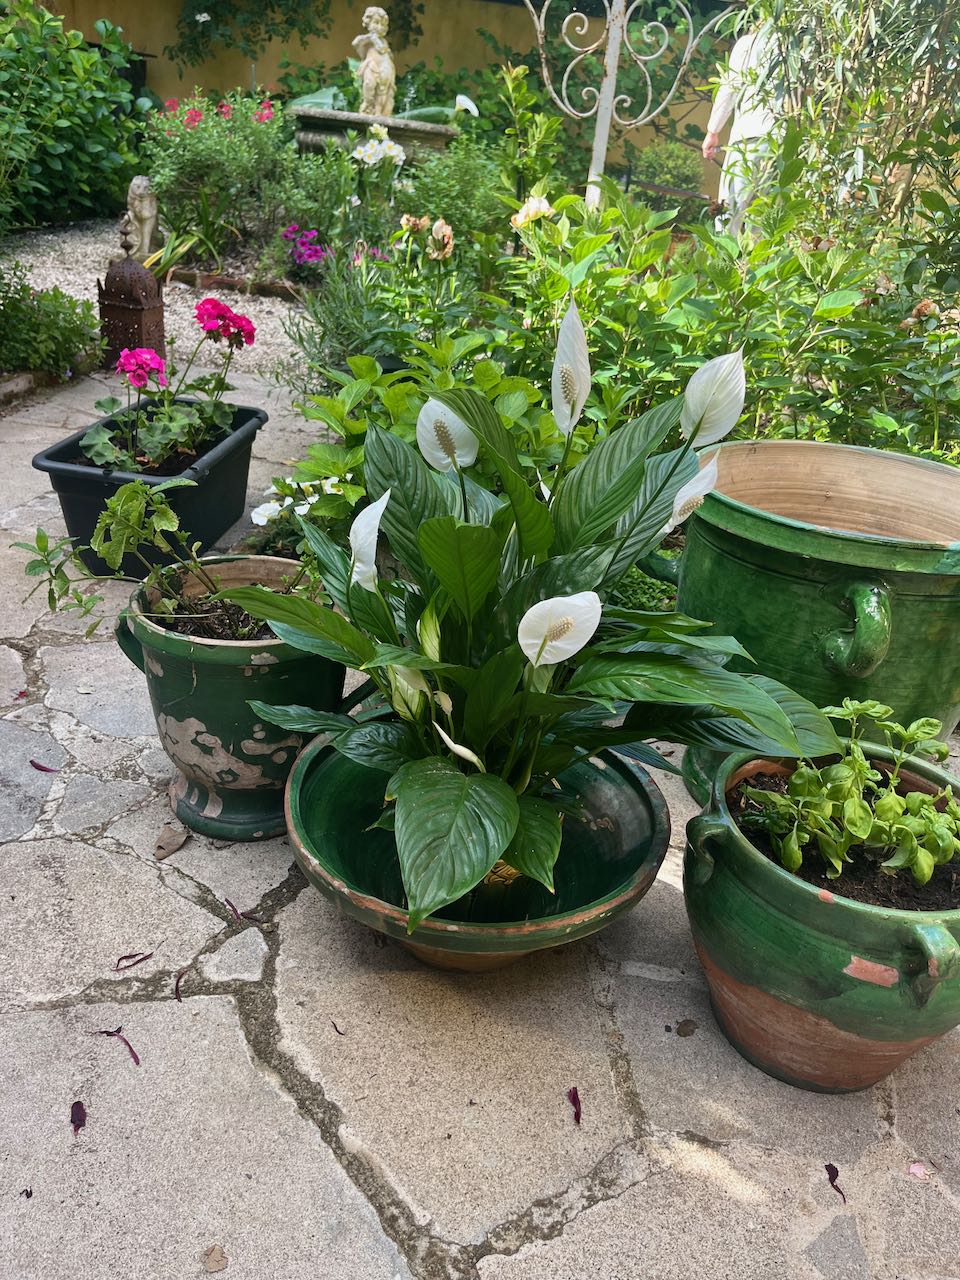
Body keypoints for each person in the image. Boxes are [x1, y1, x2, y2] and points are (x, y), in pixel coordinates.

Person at [702, 26, 779, 235]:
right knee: (765, 221)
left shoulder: (750, 43)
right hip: (783, 141)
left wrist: (713, 131)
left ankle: (723, 264)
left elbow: (730, 87)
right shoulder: (802, 42)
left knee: (729, 215)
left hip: (749, 135)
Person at [352, 6, 396, 118]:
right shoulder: (366, 39)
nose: (379, 27)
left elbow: (385, 51)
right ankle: (367, 105)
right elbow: (356, 43)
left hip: (385, 67)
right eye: (376, 23)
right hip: (371, 66)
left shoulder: (383, 41)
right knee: (369, 84)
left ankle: (379, 112)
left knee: (383, 91)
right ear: (368, 22)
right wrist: (370, 38)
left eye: (382, 24)